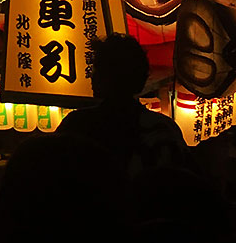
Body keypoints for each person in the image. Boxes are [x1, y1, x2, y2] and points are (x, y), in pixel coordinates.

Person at [56, 33, 188, 177]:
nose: (92, 75)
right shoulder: (164, 128)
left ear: (105, 76)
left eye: (96, 68)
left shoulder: (76, 125)